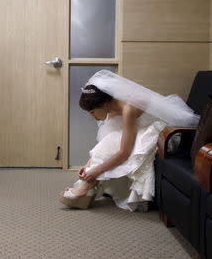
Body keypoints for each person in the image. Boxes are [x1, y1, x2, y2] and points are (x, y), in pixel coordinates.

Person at [59, 70, 199, 211]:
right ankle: (85, 188)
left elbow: (124, 152)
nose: (92, 117)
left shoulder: (128, 108)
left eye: (92, 112)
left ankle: (84, 189)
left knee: (120, 145)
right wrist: (89, 164)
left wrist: (95, 171)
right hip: (138, 131)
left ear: (103, 105)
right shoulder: (111, 108)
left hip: (161, 132)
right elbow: (108, 140)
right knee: (112, 139)